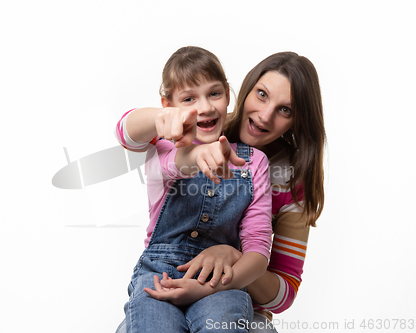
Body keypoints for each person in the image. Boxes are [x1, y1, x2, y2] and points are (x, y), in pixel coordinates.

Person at [115, 51, 326, 333]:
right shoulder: (189, 129)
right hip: (163, 275)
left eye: (285, 109)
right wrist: (164, 118)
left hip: (234, 291)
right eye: (262, 95)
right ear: (243, 91)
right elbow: (130, 135)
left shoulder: (282, 178)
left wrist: (233, 257)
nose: (265, 116)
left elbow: (284, 292)